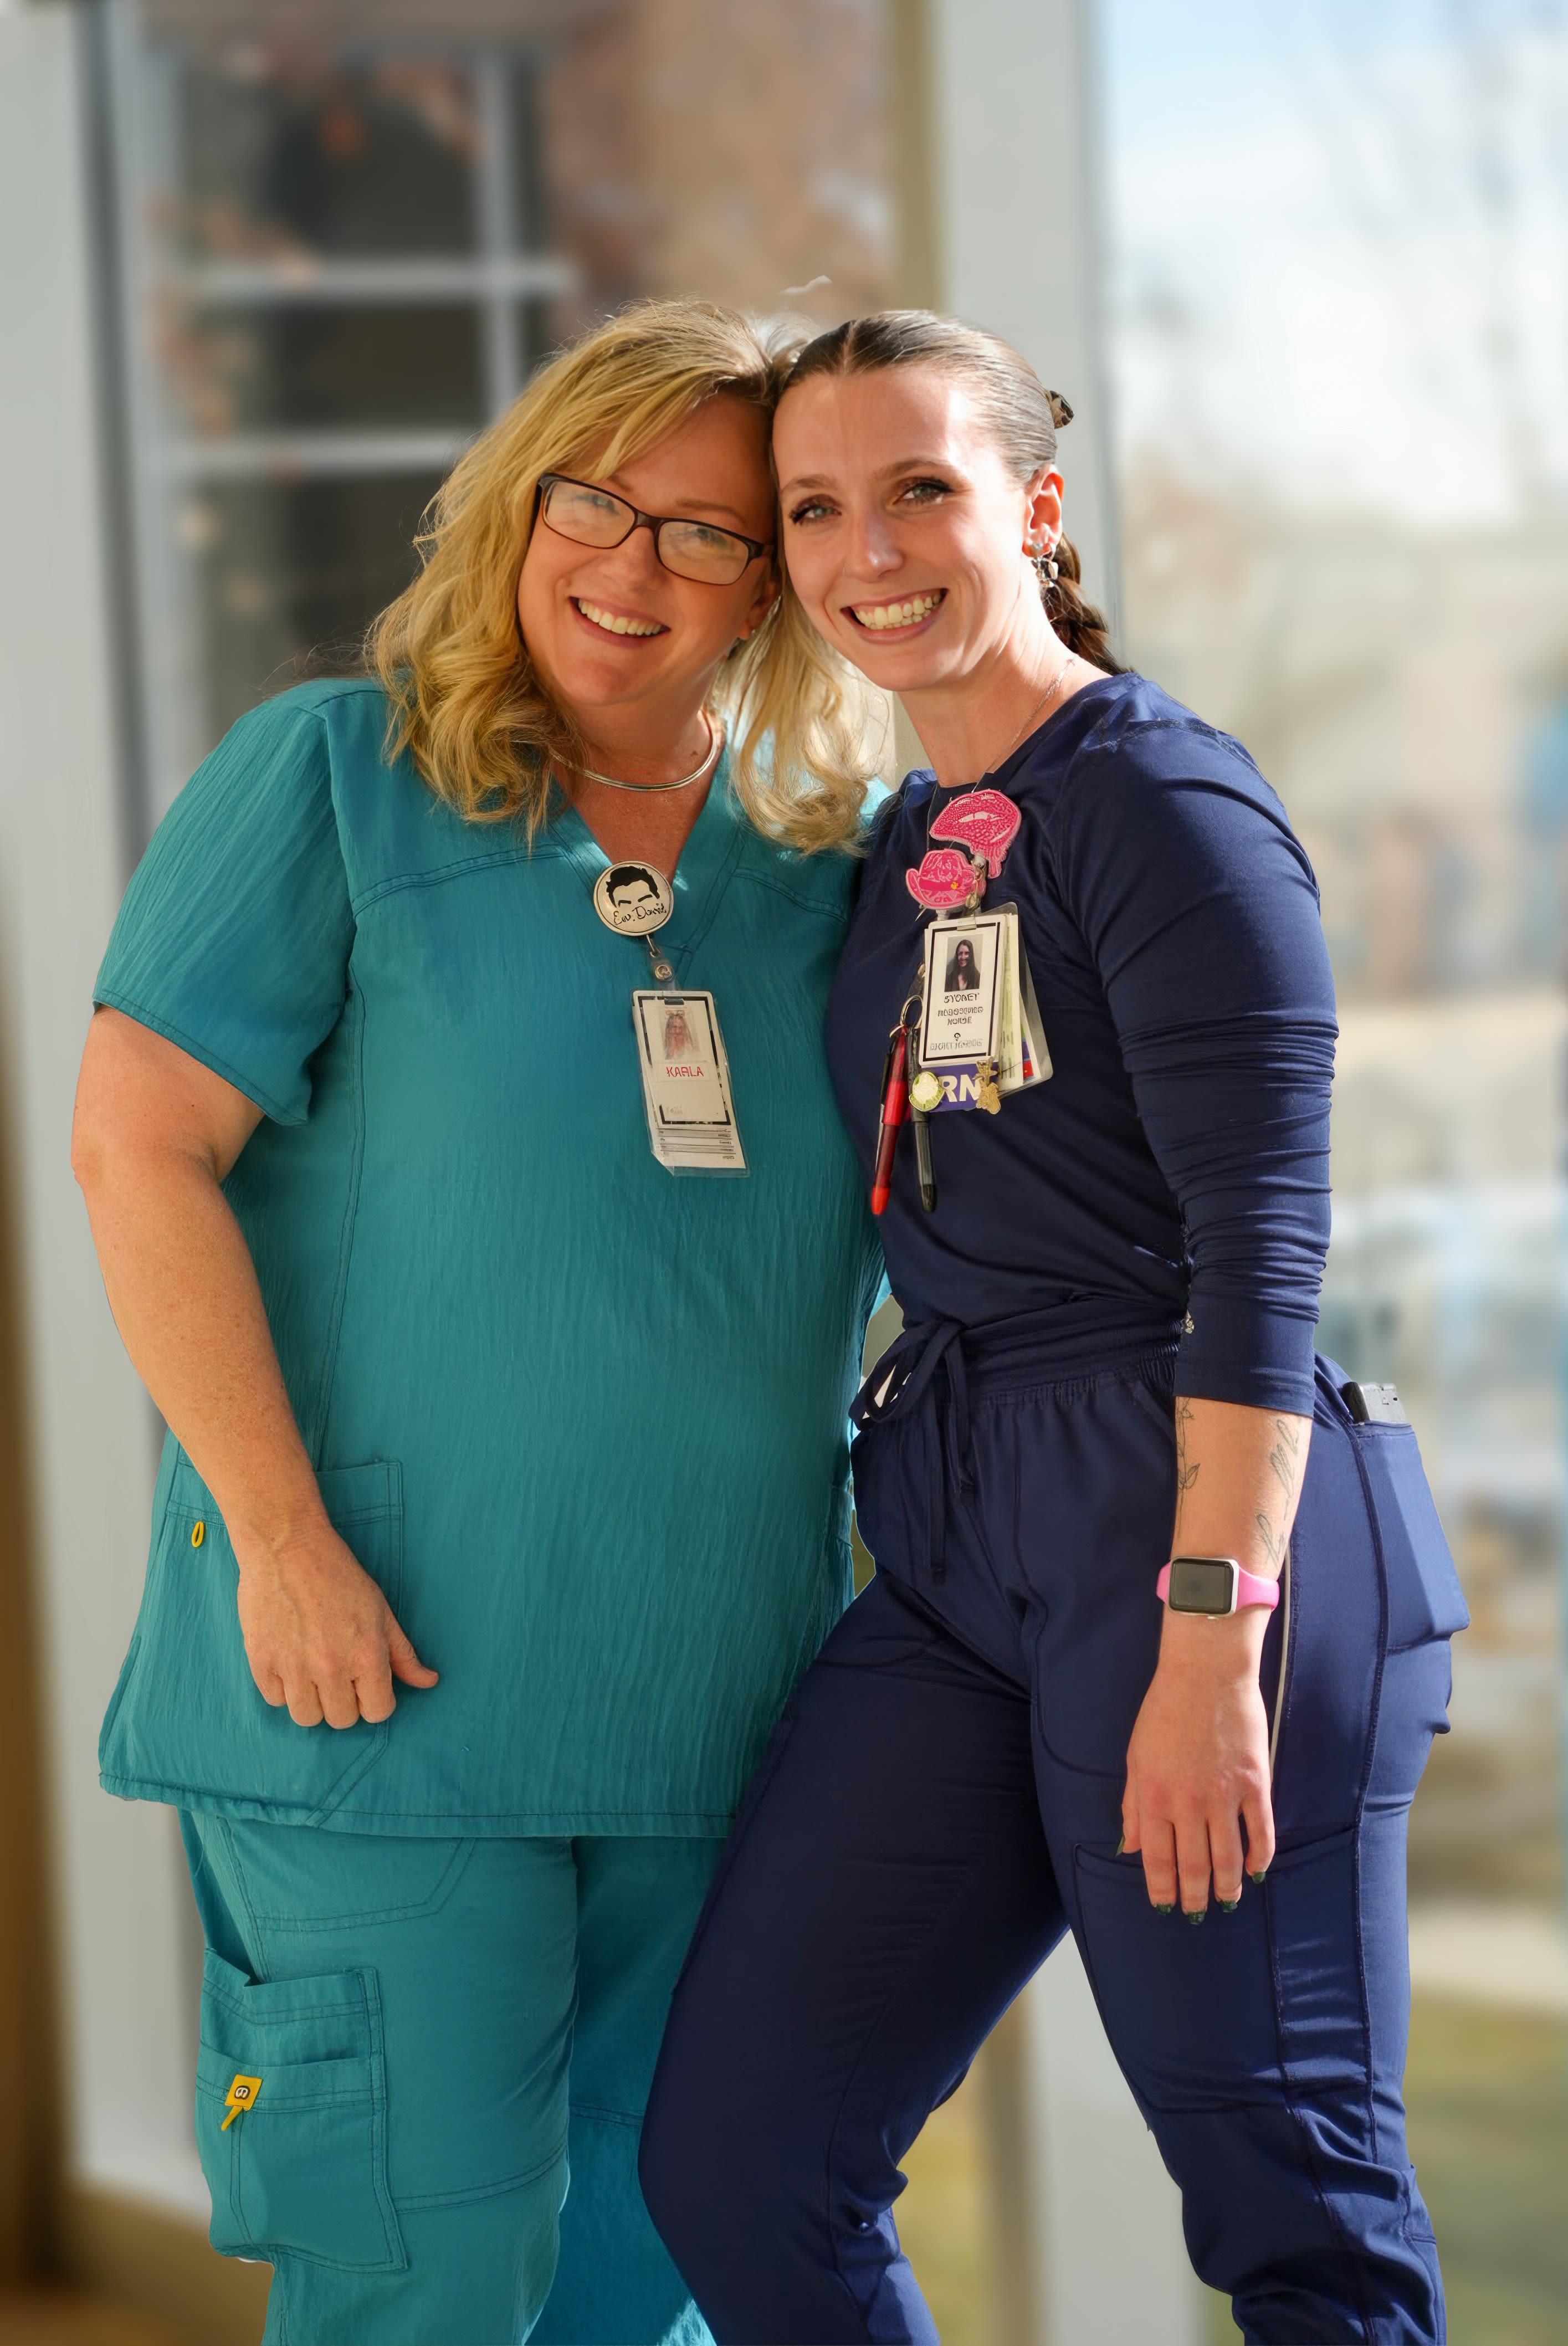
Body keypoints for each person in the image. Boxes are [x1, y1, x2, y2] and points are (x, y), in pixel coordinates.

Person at [639, 311, 1468, 2344]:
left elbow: (1264, 1243)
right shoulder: (907, 848)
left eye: (918, 486)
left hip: (1193, 1517)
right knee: (741, 2152)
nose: (866, 549)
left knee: (1281, 2170)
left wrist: (1213, 1626)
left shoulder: (1166, 802)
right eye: (813, 507)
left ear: (1032, 502)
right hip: (951, 1528)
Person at [71, 299, 883, 2346]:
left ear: (779, 578)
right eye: (590, 500)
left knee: (648, 2280)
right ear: (514, 506)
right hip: (371, 1684)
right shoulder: (333, 779)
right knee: (417, 2286)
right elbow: (136, 1149)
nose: (630, 565)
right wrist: (275, 1537)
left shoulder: (830, 881)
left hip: (719, 1707)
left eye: (709, 533)